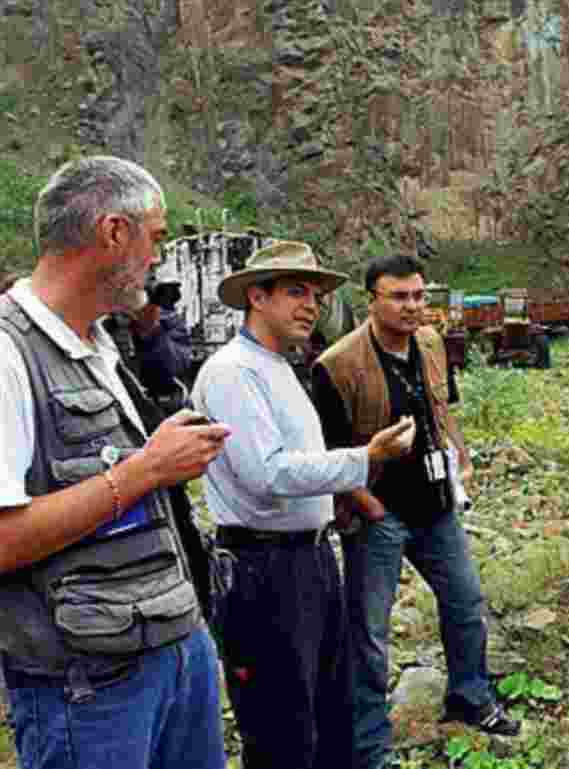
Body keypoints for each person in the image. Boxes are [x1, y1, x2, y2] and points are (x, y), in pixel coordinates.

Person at [0, 155, 233, 769]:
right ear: (113, 233)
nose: (159, 258)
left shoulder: (101, 345)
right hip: (87, 689)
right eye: (155, 237)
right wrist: (146, 470)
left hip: (176, 647)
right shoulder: (7, 353)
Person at [190, 240, 415, 769]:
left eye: (314, 294)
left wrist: (337, 498)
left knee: (327, 709)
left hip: (308, 559)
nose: (311, 305)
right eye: (295, 292)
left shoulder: (277, 367)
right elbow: (268, 473)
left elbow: (297, 462)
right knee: (281, 727)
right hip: (263, 568)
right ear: (257, 297)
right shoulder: (232, 372)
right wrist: (364, 459)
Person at [311, 254, 520, 769]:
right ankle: (371, 748)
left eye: (418, 296)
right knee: (369, 635)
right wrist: (369, 506)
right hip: (380, 515)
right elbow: (329, 452)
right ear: (372, 300)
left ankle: (471, 699)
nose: (412, 307)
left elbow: (441, 410)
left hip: (436, 506)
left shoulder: (430, 343)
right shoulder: (337, 365)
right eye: (399, 297)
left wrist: (460, 463)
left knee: (466, 604)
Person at [103, 277, 193, 411]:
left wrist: (152, 330)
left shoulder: (166, 320)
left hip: (159, 403)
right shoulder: (108, 326)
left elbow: (178, 364)